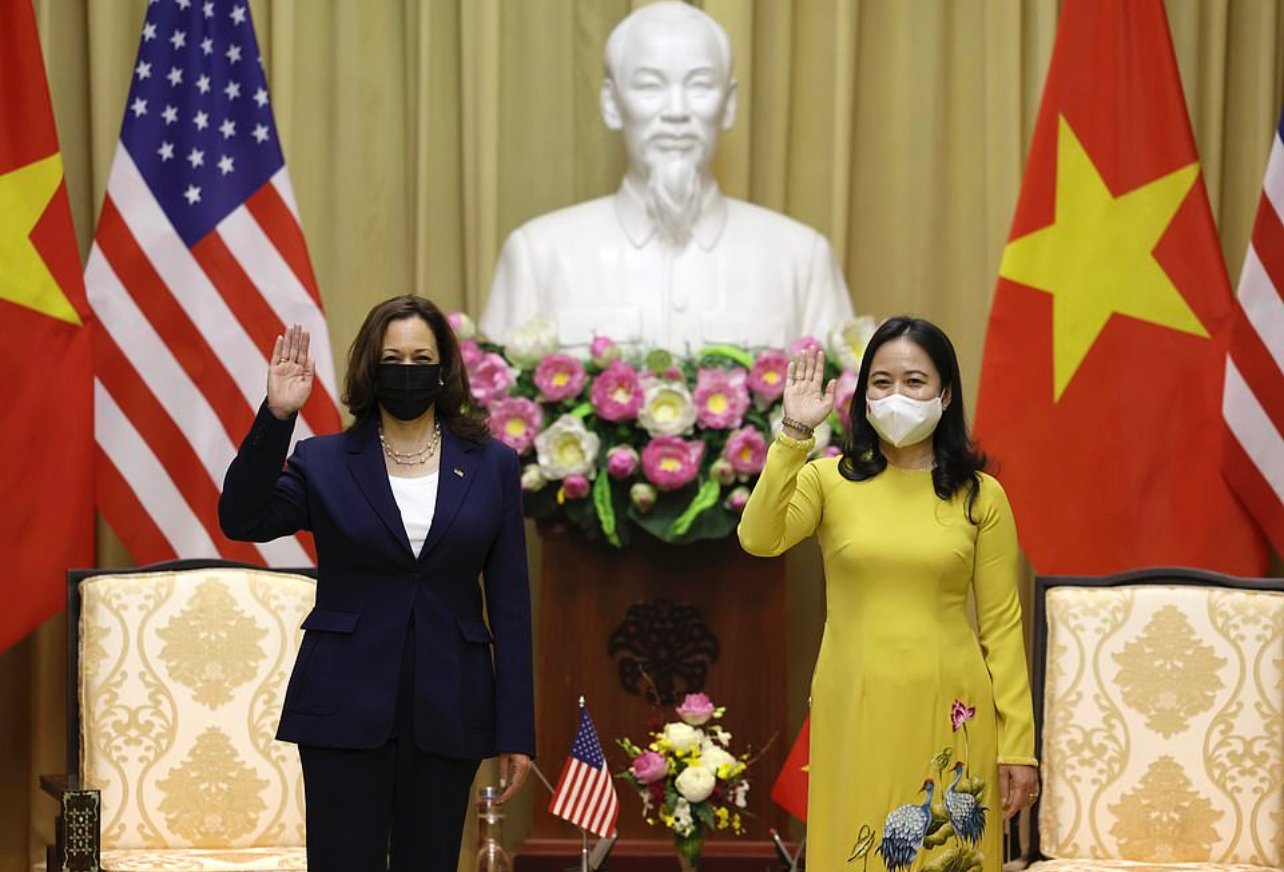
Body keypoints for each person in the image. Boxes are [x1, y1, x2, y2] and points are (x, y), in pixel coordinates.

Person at [219, 295, 534, 872]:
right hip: (343, 701)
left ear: (444, 369)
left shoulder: (493, 465)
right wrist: (277, 416)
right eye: (393, 359)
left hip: (450, 705)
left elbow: (511, 607)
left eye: (421, 359)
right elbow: (242, 518)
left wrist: (515, 729)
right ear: (370, 366)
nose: (407, 371)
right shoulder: (324, 461)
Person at [738, 317, 1039, 872]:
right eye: (881, 381)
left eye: (914, 381)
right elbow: (758, 538)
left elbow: (1002, 626)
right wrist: (793, 436)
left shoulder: (981, 495)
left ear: (945, 395)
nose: (896, 394)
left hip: (952, 706)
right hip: (853, 698)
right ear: (863, 395)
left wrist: (1018, 743)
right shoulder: (828, 481)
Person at [479, 1, 853, 355]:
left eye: (700, 84)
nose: (676, 111)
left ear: (729, 104)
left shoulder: (800, 258)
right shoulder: (538, 255)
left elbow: (842, 396)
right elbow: (490, 396)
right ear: (611, 103)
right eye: (649, 85)